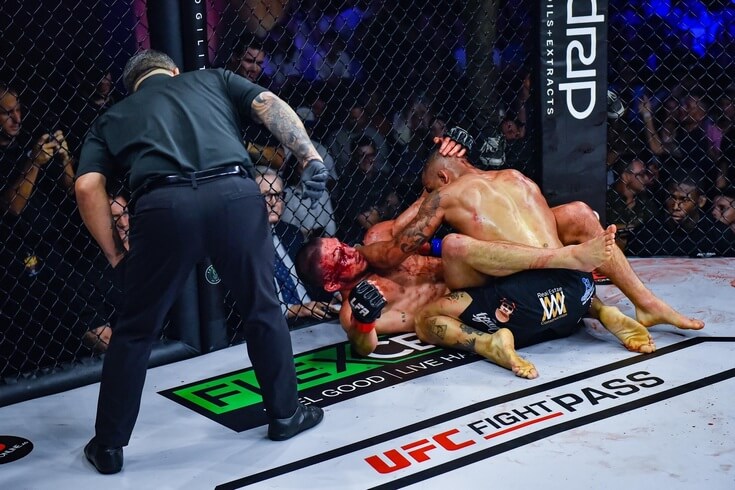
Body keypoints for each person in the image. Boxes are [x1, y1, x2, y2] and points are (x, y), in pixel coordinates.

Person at [75, 50, 328, 474]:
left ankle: (109, 446)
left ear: (133, 87)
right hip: (234, 194)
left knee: (135, 330)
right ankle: (285, 415)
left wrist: (116, 254)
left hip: (163, 206)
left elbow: (86, 187)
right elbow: (268, 104)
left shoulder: (113, 116)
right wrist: (309, 157)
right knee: (261, 306)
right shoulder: (213, 78)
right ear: (174, 71)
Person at [362, 135, 705, 333]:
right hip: (576, 288)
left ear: (443, 179)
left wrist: (424, 198)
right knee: (578, 213)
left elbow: (392, 250)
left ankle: (587, 278)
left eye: (428, 187)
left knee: (453, 244)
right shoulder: (516, 177)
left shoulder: (445, 194)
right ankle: (645, 302)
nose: (427, 196)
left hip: (524, 302)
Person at [295, 220, 649, 379]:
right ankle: (596, 305)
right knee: (456, 254)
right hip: (479, 302)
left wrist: (445, 165)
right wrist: (364, 319)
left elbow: (426, 215)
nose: (349, 252)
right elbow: (364, 345)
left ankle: (597, 304)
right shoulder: (354, 308)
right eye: (338, 258)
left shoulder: (381, 242)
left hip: (491, 278)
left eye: (341, 245)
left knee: (461, 248)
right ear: (330, 282)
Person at [255, 166, 337, 323]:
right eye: (266, 196)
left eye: (278, 195)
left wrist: (334, 293)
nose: (274, 202)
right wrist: (294, 310)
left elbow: (312, 275)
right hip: (277, 323)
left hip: (314, 313)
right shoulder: (243, 245)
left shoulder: (291, 233)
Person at [626, 173, 735, 257]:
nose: (676, 206)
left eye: (684, 200)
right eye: (671, 198)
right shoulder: (645, 233)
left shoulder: (719, 234)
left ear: (701, 202)